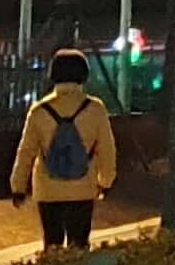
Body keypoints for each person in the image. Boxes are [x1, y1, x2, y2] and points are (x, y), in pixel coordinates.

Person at [9, 48, 116, 250]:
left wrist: (18, 187)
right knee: (79, 244)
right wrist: (106, 181)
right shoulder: (95, 109)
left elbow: (26, 152)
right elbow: (107, 148)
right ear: (84, 74)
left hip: (48, 190)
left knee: (52, 244)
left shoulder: (39, 111)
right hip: (83, 188)